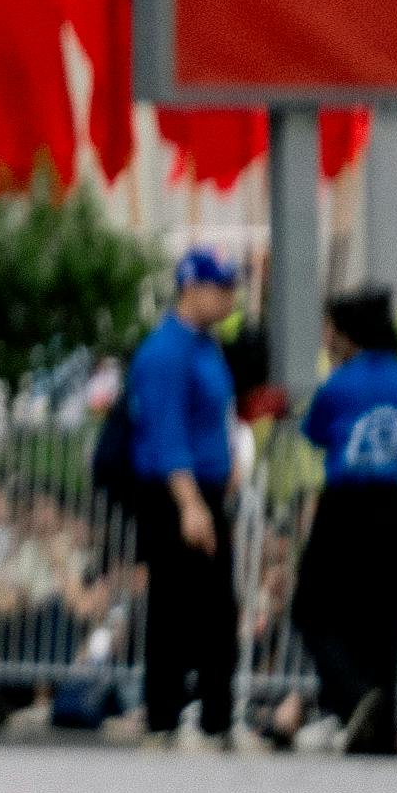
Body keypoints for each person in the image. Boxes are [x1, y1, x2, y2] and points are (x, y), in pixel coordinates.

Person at [286, 287, 397, 753]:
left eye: (330, 329)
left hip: (345, 504)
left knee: (312, 608)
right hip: (393, 508)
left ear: (348, 333)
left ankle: (354, 693)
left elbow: (315, 431)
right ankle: (379, 726)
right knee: (382, 617)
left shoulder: (340, 383)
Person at [123, 248, 248, 748]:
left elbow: (217, 412)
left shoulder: (206, 346)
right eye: (221, 288)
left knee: (218, 608)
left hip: (208, 488)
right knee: (175, 605)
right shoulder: (165, 352)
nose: (229, 298)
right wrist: (190, 504)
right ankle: (164, 716)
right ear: (191, 289)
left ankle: (217, 716)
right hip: (177, 493)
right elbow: (166, 429)